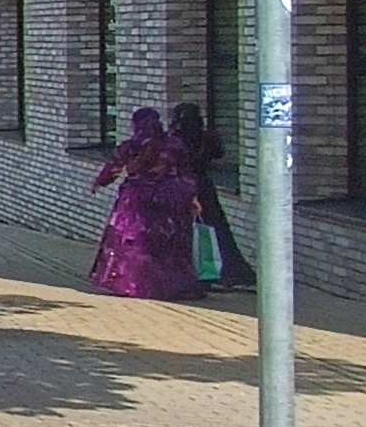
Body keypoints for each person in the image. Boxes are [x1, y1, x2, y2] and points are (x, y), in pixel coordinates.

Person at [90, 106, 204, 299]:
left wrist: (99, 183)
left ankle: (132, 284)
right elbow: (186, 173)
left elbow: (114, 167)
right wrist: (192, 197)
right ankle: (173, 286)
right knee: (169, 244)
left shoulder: (132, 146)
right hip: (171, 199)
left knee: (134, 243)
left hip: (136, 199)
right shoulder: (174, 145)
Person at [169, 102, 250, 290]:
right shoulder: (209, 137)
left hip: (181, 186)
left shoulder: (174, 140)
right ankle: (224, 270)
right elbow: (219, 157)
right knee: (215, 228)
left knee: (183, 229)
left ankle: (189, 270)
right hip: (204, 185)